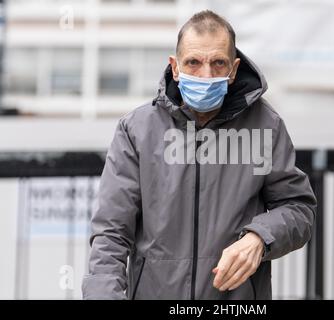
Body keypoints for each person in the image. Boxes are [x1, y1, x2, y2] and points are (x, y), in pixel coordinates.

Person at [82, 10, 317, 300]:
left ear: (234, 69)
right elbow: (111, 233)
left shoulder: (266, 126)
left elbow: (299, 209)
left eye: (218, 63)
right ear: (175, 67)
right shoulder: (137, 130)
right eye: (193, 62)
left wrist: (260, 237)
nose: (206, 75)